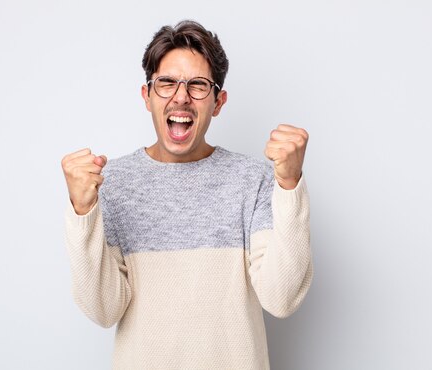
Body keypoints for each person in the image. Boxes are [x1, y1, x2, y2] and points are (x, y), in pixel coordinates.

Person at [61, 20, 313, 369]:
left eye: (197, 85)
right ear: (147, 97)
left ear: (218, 101)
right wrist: (82, 212)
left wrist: (289, 186)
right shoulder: (111, 184)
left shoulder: (253, 180)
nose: (181, 96)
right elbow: (104, 310)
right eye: (166, 83)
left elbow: (281, 298)